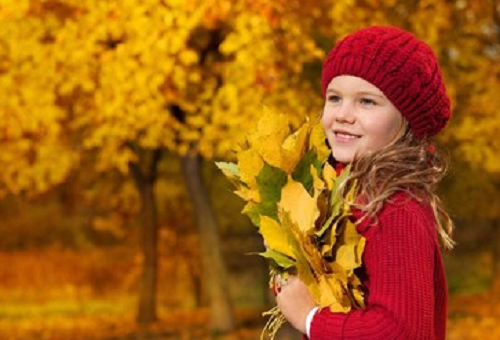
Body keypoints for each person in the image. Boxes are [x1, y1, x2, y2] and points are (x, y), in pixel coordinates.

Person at [274, 26, 455, 340]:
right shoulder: (342, 196)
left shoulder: (396, 208)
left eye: (367, 102)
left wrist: (310, 319)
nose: (343, 114)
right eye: (335, 97)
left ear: (406, 121)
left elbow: (402, 331)